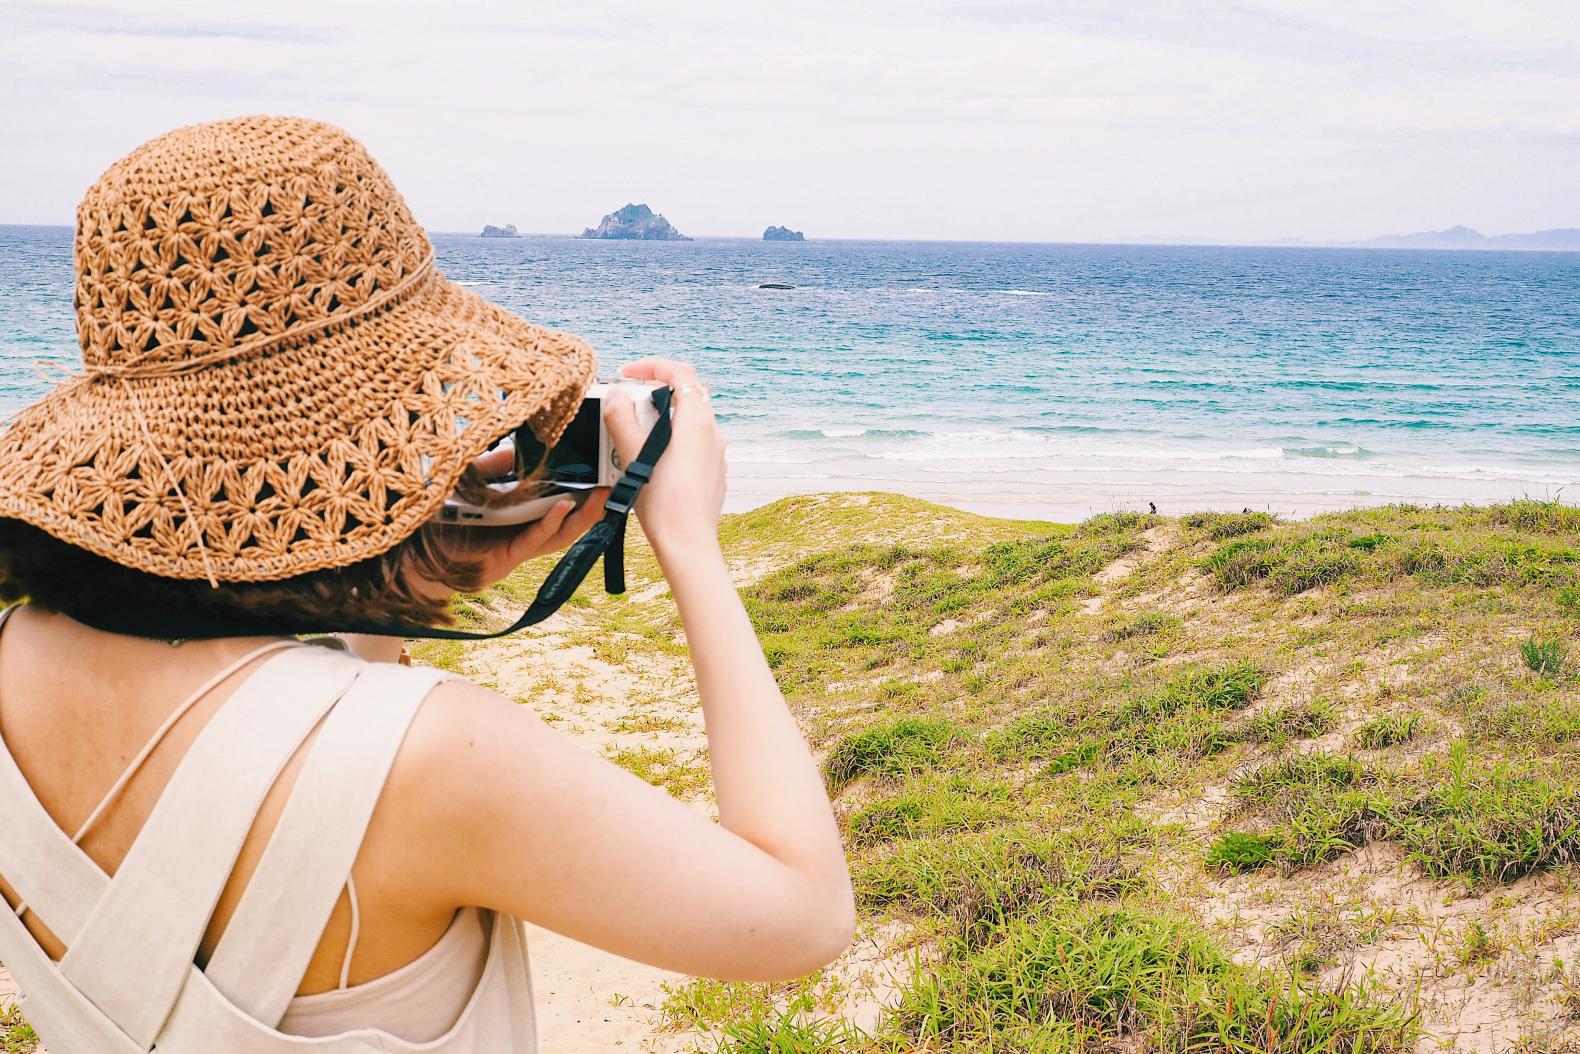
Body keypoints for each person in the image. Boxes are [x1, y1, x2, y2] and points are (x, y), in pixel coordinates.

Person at [0, 116, 853, 1052]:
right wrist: (688, 541)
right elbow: (803, 915)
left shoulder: (19, 657)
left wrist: (402, 582)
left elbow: (256, 753)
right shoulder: (435, 758)